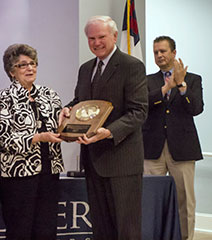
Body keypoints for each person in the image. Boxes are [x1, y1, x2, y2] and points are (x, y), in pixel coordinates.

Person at [59, 16, 148, 240]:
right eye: (91, 38)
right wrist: (67, 111)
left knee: (126, 230)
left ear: (115, 36)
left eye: (101, 37)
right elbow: (81, 103)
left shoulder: (132, 66)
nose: (96, 43)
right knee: (100, 228)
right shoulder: (85, 68)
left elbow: (139, 112)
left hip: (122, 162)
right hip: (92, 160)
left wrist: (108, 132)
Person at [0, 44, 64, 240]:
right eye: (23, 65)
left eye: (33, 63)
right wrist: (38, 138)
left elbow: (61, 127)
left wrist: (70, 121)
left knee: (46, 230)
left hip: (49, 173)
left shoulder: (49, 94)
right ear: (11, 71)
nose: (30, 68)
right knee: (20, 231)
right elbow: (3, 139)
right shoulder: (3, 98)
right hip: (18, 176)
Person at [142, 36, 203, 240]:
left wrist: (181, 85)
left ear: (174, 53)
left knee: (184, 200)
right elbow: (143, 106)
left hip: (183, 149)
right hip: (152, 148)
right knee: (150, 198)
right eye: (156, 52)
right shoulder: (148, 80)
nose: (159, 55)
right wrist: (166, 88)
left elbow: (196, 108)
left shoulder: (193, 79)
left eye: (163, 51)